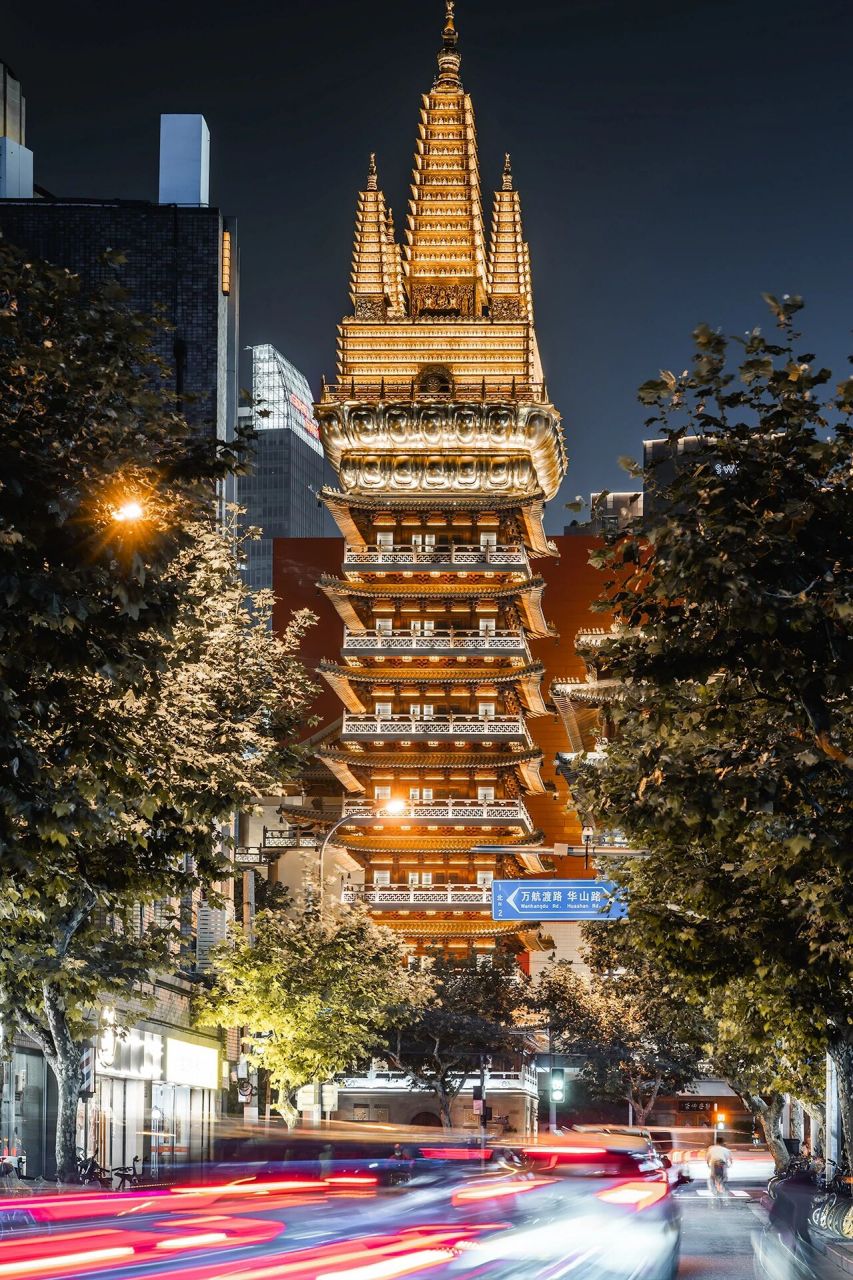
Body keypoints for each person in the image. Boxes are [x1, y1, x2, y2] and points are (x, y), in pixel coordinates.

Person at [705, 1136, 732, 1203]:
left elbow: (708, 1158)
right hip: (722, 1164)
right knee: (724, 1177)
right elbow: (730, 1159)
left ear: (716, 1142)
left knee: (712, 1178)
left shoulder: (711, 1149)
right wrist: (729, 1165)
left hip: (714, 1164)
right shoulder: (725, 1149)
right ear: (722, 1142)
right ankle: (723, 1187)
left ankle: (715, 1192)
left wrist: (708, 1164)